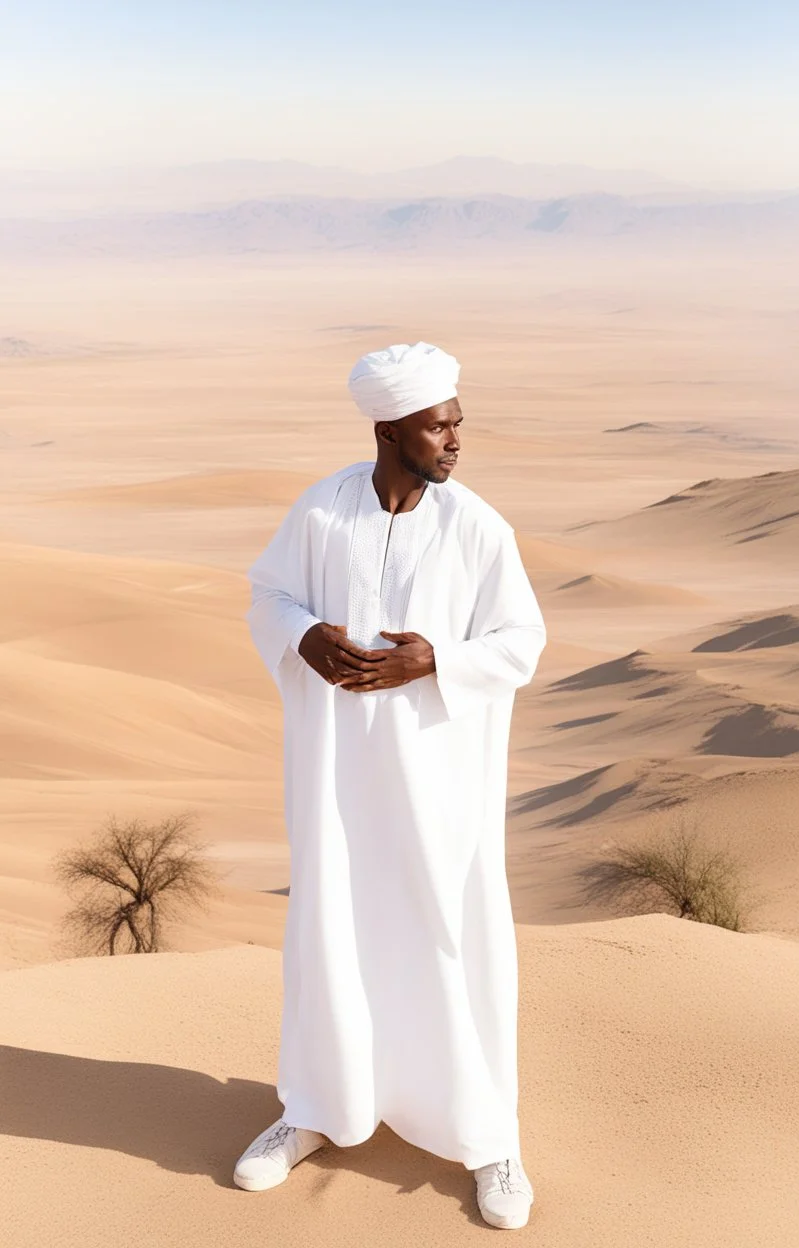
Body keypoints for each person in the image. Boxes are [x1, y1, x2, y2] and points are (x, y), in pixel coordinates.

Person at [234, 341, 546, 1230]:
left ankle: (492, 1139)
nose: (455, 440)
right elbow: (267, 595)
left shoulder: (478, 528)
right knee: (331, 927)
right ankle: (316, 1110)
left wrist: (436, 660)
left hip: (436, 782)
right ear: (388, 430)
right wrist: (302, 636)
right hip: (337, 778)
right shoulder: (322, 514)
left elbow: (522, 641)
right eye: (437, 426)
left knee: (450, 935)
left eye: (456, 423)